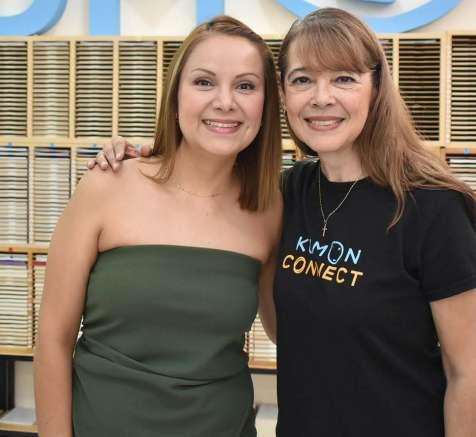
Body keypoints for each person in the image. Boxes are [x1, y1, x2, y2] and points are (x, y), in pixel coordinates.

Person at [90, 8, 476, 437]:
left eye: (344, 78)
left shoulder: (433, 207)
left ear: (376, 87)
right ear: (283, 93)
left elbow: (468, 373)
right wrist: (147, 155)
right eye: (302, 79)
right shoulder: (286, 194)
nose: (321, 98)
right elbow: (282, 327)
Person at [33, 16, 283, 437]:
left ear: (266, 104)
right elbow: (53, 340)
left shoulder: (269, 208)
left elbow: (287, 330)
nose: (225, 102)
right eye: (204, 82)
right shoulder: (107, 185)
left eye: (245, 86)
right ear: (175, 93)